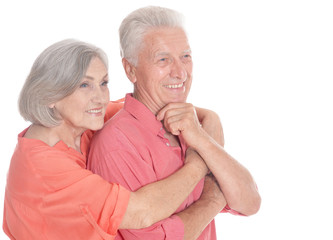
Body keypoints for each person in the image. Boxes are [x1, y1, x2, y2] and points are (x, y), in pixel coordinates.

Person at [2, 39, 222, 240]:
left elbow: (165, 110)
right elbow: (142, 213)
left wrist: (210, 117)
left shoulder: (82, 121)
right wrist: (202, 163)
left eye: (104, 83)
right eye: (84, 85)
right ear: (50, 96)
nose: (100, 98)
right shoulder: (46, 169)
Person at [88, 6, 261, 240]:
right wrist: (212, 199)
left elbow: (250, 203)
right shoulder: (116, 145)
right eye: (163, 59)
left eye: (185, 57)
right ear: (131, 70)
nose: (180, 72)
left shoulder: (191, 126)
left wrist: (201, 140)